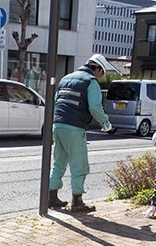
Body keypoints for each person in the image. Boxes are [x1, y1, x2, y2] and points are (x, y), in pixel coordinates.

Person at [49, 53, 113, 212]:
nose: (101, 76)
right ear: (97, 68)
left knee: (59, 162)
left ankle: (51, 197)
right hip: (75, 127)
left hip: (57, 125)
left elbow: (56, 100)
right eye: (102, 72)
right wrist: (106, 123)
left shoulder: (66, 78)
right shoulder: (90, 82)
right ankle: (77, 201)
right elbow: (95, 107)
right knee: (79, 165)